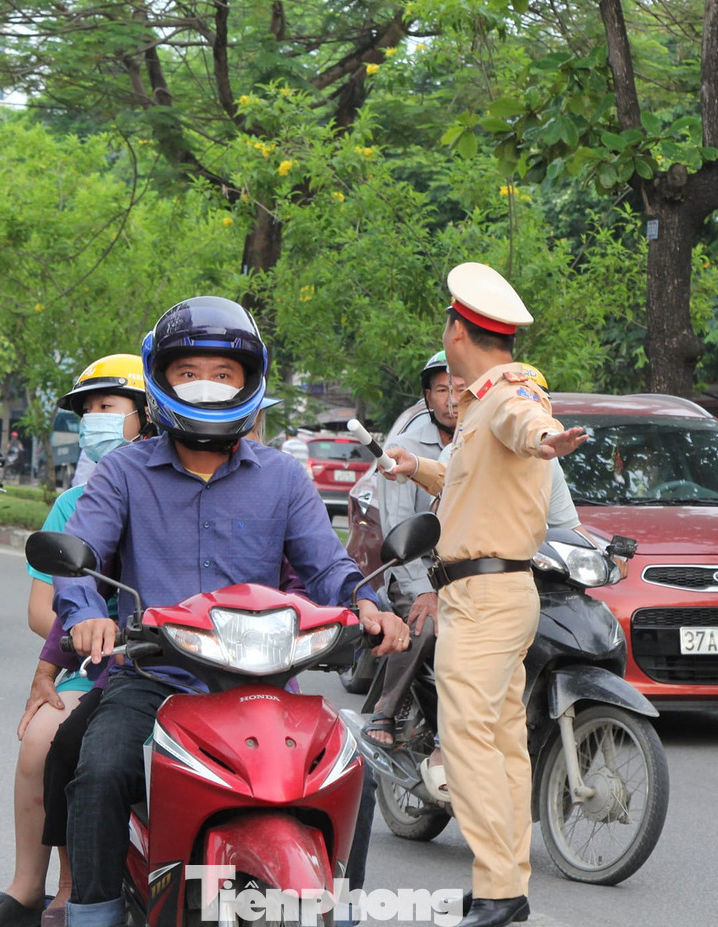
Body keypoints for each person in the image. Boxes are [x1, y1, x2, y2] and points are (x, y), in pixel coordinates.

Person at [52, 296, 410, 927]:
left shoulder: (285, 477)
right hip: (155, 681)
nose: (207, 386)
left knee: (358, 775)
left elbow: (327, 567)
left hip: (268, 689)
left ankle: (342, 911)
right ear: (161, 380)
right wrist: (86, 613)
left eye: (224, 374)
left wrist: (366, 603)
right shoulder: (123, 472)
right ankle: (94, 913)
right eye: (189, 371)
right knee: (101, 770)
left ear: (250, 382)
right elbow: (80, 557)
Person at [382, 263, 587, 927]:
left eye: (446, 323)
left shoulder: (507, 399)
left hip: (484, 597)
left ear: (458, 331)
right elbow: (474, 483)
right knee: (500, 742)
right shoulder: (483, 405)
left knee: (467, 740)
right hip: (496, 592)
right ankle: (503, 882)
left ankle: (499, 886)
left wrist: (548, 439)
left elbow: (529, 426)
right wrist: (419, 467)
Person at [0, 355, 154, 927]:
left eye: (108, 407)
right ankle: (37, 884)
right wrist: (88, 633)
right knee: (44, 739)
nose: (95, 418)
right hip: (97, 667)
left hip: (185, 662)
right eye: (87, 410)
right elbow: (41, 612)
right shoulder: (71, 506)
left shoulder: (174, 490)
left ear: (149, 414)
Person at [363, 350, 462, 749]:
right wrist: (425, 589)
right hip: (415, 568)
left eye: (459, 390)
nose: (452, 399)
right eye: (442, 390)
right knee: (424, 626)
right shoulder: (402, 448)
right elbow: (400, 531)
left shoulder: (486, 443)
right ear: (428, 397)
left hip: (471, 572)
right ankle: (386, 708)